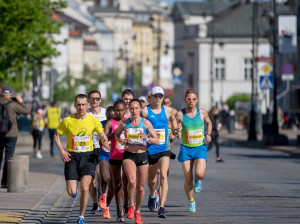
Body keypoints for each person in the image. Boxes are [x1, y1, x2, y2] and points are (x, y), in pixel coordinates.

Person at [54, 94, 109, 224]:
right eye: (78, 104)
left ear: (88, 105)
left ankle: (81, 216)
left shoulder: (93, 120)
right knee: (72, 191)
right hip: (72, 157)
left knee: (85, 188)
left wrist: (105, 141)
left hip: (88, 156)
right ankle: (75, 191)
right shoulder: (67, 120)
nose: (81, 107)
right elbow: (56, 136)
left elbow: (102, 135)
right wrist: (62, 151)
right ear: (74, 105)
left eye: (84, 104)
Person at [115, 99, 159, 224]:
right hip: (128, 155)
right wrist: (121, 140)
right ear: (129, 109)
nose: (134, 111)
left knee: (140, 187)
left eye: (136, 108)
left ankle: (138, 211)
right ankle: (131, 205)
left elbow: (157, 140)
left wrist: (147, 138)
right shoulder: (125, 123)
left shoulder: (145, 123)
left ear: (140, 109)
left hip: (142, 156)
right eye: (132, 108)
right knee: (132, 182)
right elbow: (117, 135)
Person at [141, 86, 179, 218]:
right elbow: (137, 124)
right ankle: (152, 195)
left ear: (163, 98)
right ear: (150, 98)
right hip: (150, 148)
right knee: (151, 179)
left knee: (163, 175)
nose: (157, 99)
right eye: (155, 96)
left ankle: (162, 207)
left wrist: (174, 131)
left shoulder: (168, 110)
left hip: (164, 147)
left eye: (160, 96)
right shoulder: (145, 112)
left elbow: (174, 121)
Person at [175, 89, 212, 213]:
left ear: (197, 100)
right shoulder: (180, 114)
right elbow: (177, 125)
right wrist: (178, 131)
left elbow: (209, 122)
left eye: (194, 99)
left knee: (200, 173)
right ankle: (191, 201)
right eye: (189, 99)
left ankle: (198, 179)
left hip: (199, 147)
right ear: (185, 100)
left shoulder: (202, 112)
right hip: (186, 148)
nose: (191, 101)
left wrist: (209, 134)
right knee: (187, 177)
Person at [0, 85, 30, 188]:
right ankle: (4, 182)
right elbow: (27, 111)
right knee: (8, 158)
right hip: (11, 134)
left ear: (2, 93)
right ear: (11, 94)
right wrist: (21, 101)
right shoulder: (13, 105)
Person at [103, 99, 127, 222]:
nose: (120, 113)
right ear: (114, 110)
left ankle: (128, 205)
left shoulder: (130, 121)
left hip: (128, 156)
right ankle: (119, 212)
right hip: (114, 156)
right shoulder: (110, 123)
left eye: (122, 110)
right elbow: (105, 139)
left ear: (126, 110)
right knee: (117, 184)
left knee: (128, 182)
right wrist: (116, 132)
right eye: (117, 110)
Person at [86, 90, 107, 214]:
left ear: (100, 100)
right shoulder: (85, 113)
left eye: (97, 98)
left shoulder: (105, 113)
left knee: (100, 175)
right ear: (88, 100)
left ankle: (101, 192)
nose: (95, 101)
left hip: (102, 147)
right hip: (89, 148)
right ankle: (95, 202)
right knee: (90, 178)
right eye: (92, 98)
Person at [98, 106, 115, 219]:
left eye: (113, 117)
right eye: (109, 117)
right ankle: (103, 192)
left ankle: (107, 209)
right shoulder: (101, 124)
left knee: (114, 185)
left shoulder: (120, 124)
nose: (110, 120)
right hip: (104, 154)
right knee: (105, 178)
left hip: (116, 155)